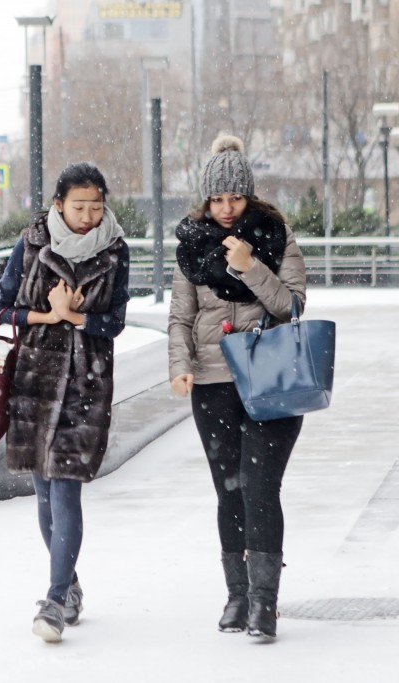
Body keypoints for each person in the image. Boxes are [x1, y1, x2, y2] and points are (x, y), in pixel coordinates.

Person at [168, 134, 307, 639]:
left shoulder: (276, 236)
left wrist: (250, 267)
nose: (227, 209)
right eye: (217, 199)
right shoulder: (190, 247)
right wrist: (179, 366)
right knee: (228, 491)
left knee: (259, 487)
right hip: (212, 381)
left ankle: (265, 603)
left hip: (272, 379)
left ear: (250, 196)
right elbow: (181, 318)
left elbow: (291, 306)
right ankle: (237, 596)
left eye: (236, 198)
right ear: (206, 200)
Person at [0, 162, 130, 643]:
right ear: (58, 205)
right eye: (79, 206)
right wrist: (48, 315)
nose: (88, 216)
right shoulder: (30, 245)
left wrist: (79, 319)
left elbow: (115, 321)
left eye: (96, 207)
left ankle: (53, 599)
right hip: (33, 385)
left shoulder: (114, 251)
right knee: (45, 496)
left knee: (66, 490)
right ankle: (69, 586)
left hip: (85, 387)